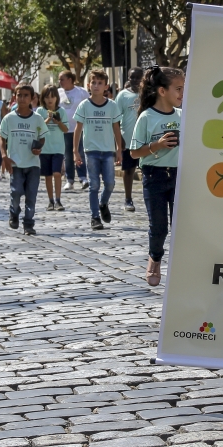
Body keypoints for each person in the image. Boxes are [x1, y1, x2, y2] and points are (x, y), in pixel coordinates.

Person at [129, 66, 183, 284]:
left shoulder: (184, 115)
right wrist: (157, 145)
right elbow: (134, 152)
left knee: (180, 225)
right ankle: (155, 259)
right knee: (159, 227)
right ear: (162, 91)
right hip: (154, 177)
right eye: (178, 88)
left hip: (180, 176)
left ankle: (180, 266)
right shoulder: (146, 117)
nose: (182, 93)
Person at [73, 70, 123, 231]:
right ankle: (95, 217)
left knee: (110, 183)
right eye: (93, 83)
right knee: (94, 184)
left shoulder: (112, 106)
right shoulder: (84, 105)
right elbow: (78, 129)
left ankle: (103, 203)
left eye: (100, 83)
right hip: (91, 151)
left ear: (106, 86)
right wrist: (75, 151)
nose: (96, 86)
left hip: (108, 151)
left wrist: (119, 149)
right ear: (89, 85)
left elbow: (116, 128)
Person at [0, 84, 47, 235]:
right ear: (15, 97)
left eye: (26, 95)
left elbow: (42, 137)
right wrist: (4, 156)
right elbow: (2, 138)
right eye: (19, 95)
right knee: (16, 192)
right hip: (15, 163)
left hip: (33, 163)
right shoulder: (9, 118)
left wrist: (38, 147)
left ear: (32, 98)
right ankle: (14, 212)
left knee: (31, 195)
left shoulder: (38, 119)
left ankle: (28, 223)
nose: (22, 98)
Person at [116, 68, 144, 210]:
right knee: (129, 170)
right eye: (132, 77)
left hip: (145, 139)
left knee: (147, 170)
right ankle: (128, 199)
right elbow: (116, 118)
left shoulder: (148, 93)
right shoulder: (122, 95)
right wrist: (119, 139)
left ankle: (149, 197)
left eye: (138, 77)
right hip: (128, 138)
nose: (135, 80)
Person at [36, 84, 68, 211]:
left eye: (52, 97)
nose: (50, 100)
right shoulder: (40, 111)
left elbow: (66, 129)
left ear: (57, 98)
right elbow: (37, 129)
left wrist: (58, 122)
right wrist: (47, 120)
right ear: (43, 98)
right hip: (45, 148)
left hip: (58, 148)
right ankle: (50, 201)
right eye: (47, 97)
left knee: (57, 173)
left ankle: (58, 200)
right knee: (48, 175)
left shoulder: (61, 111)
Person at [58, 70, 90, 191]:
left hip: (80, 128)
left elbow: (88, 106)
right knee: (67, 155)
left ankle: (83, 177)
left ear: (70, 80)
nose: (60, 82)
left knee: (80, 153)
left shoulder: (81, 92)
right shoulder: (58, 92)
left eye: (62, 79)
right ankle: (69, 180)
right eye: (59, 79)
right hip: (64, 129)